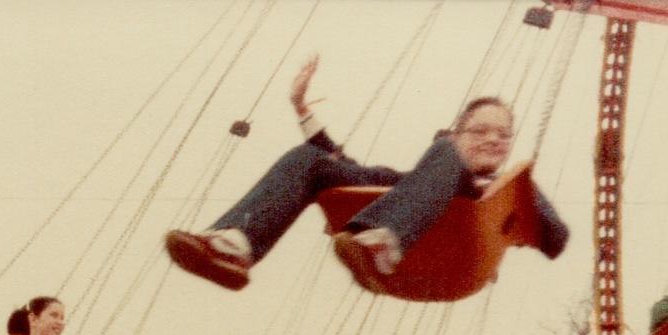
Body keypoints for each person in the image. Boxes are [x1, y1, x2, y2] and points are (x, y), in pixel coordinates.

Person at [164, 54, 569, 290]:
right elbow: (347, 171)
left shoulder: (510, 189)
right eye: (481, 130)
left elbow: (556, 238)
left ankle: (382, 242)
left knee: (443, 160)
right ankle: (236, 248)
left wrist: (520, 205)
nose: (494, 140)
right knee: (310, 160)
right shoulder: (417, 183)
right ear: (457, 133)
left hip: (457, 268)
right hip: (397, 244)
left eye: (503, 134)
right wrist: (302, 109)